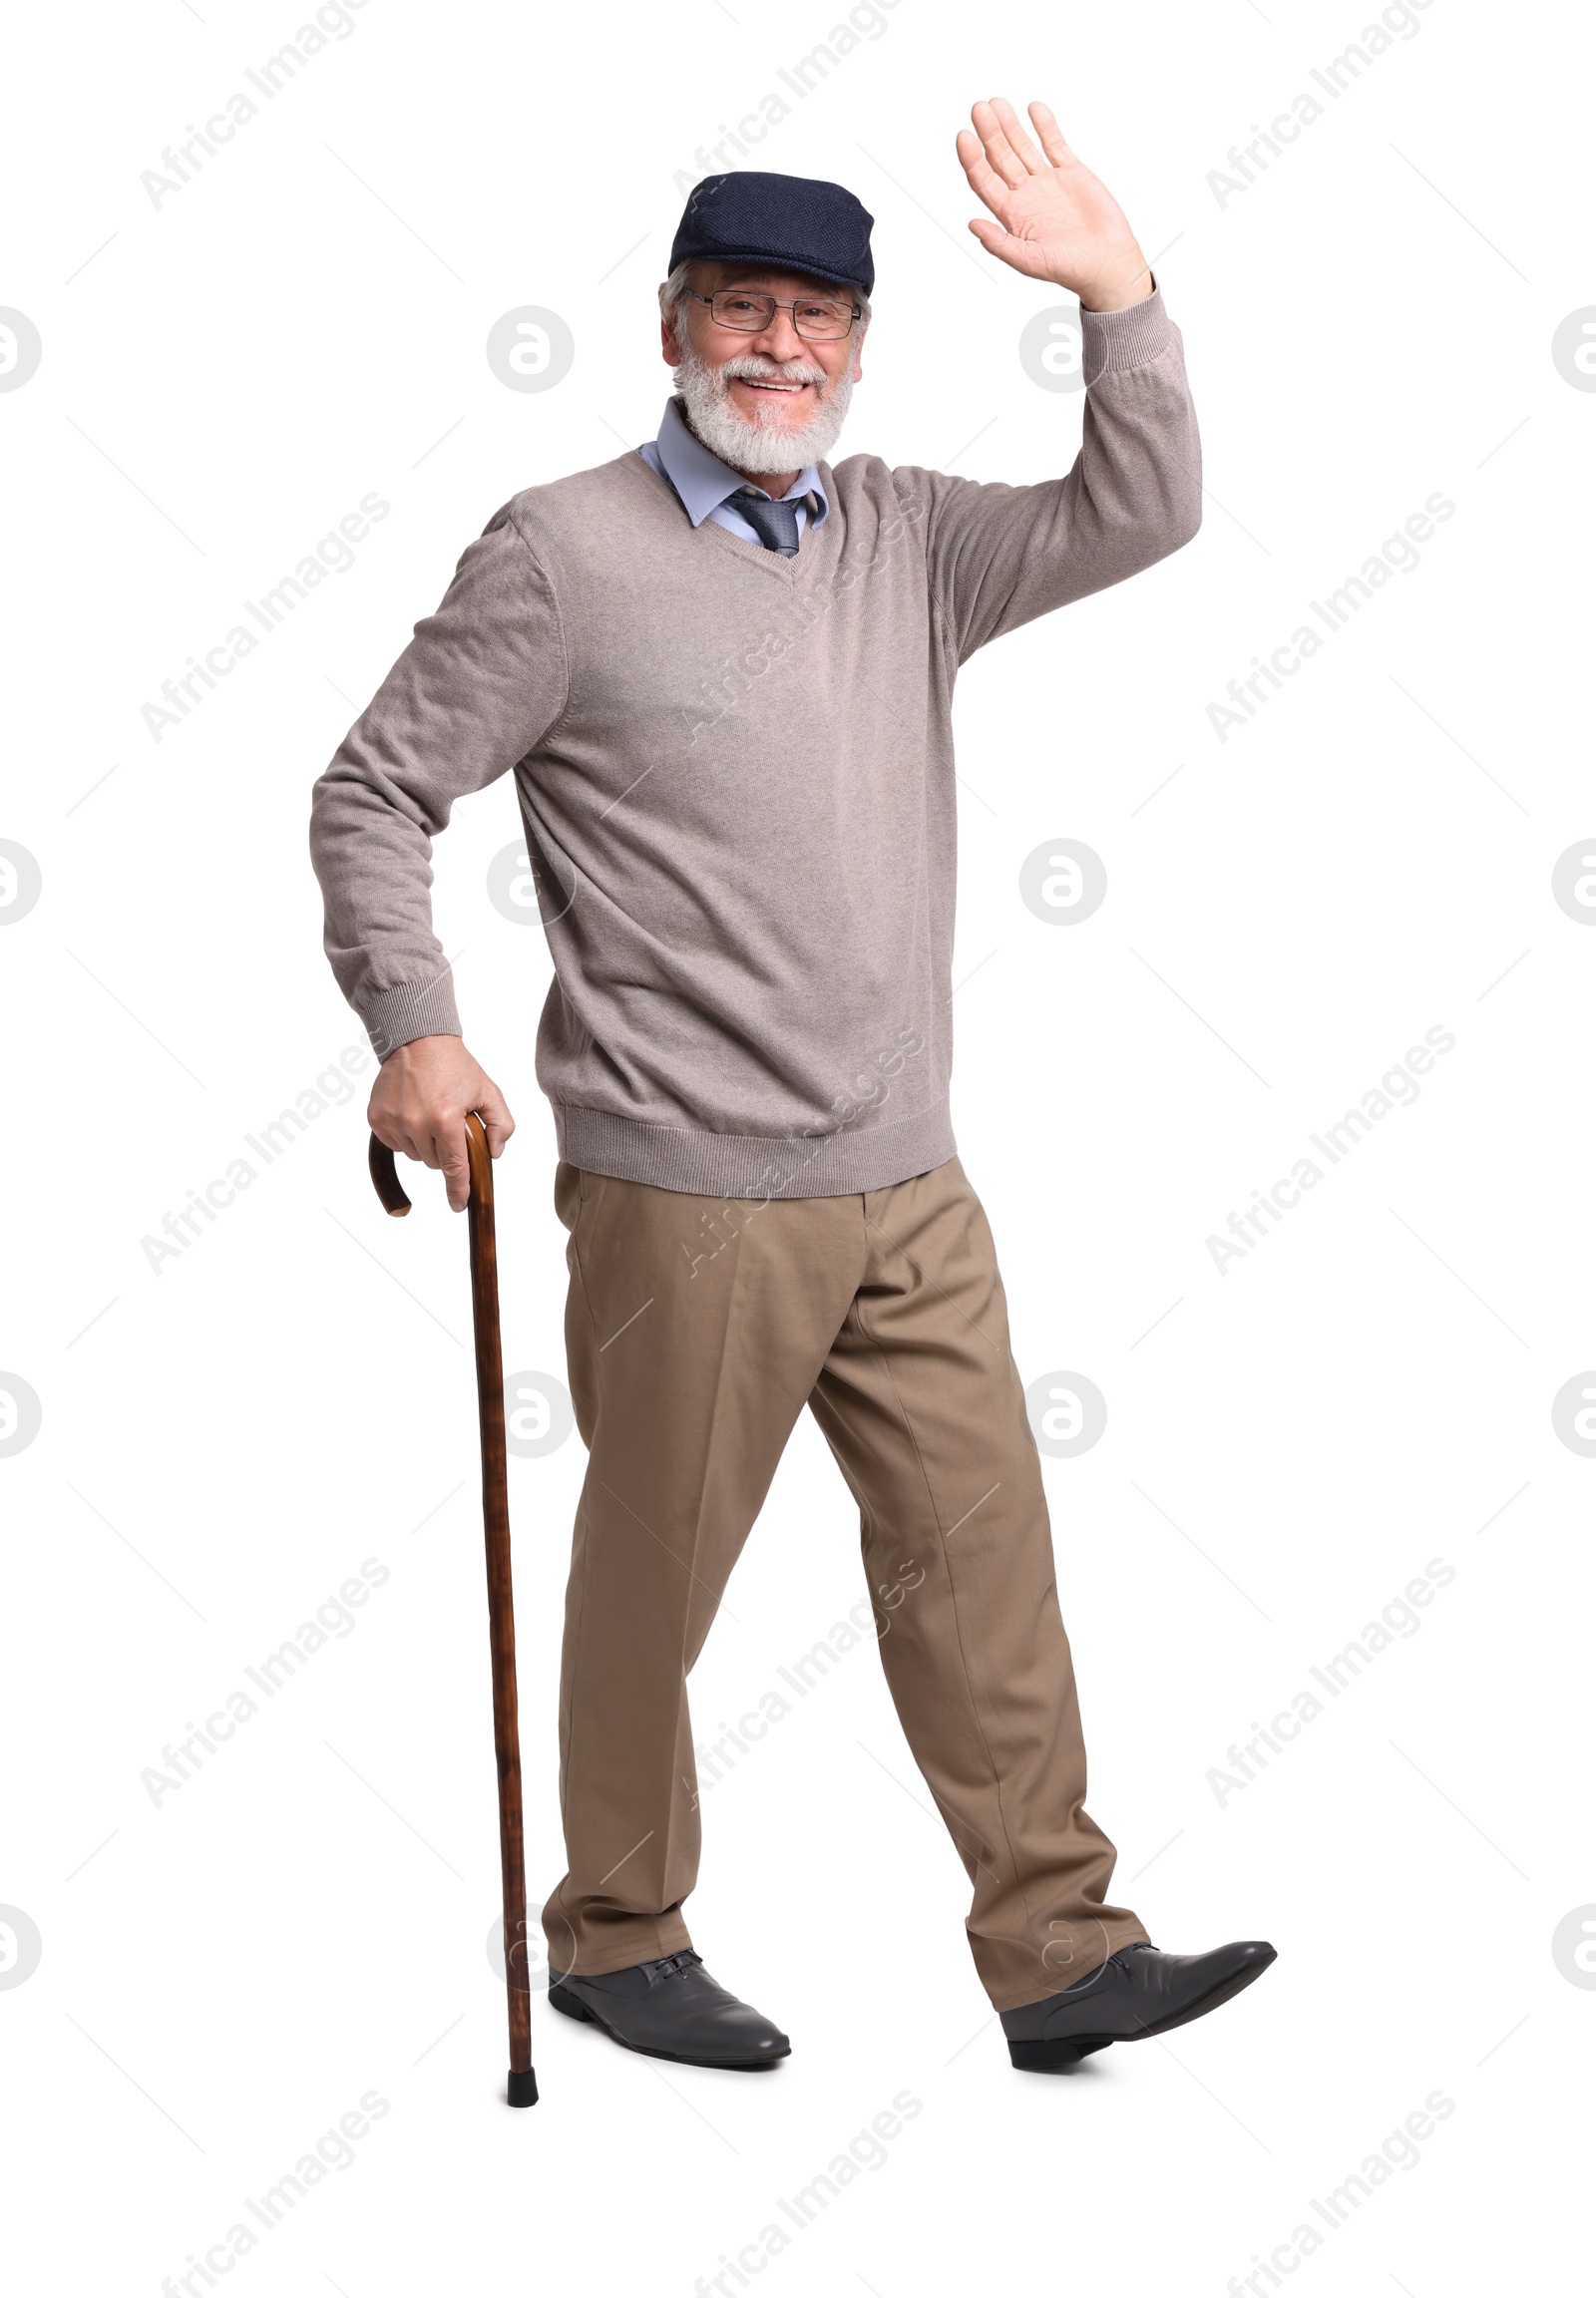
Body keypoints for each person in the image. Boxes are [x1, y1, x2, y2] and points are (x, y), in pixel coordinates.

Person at [310, 99, 1276, 2075]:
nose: (777, 348)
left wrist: (1120, 299)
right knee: (653, 1580)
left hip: (907, 1172)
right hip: (689, 1187)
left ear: (855, 346)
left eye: (813, 319)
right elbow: (372, 788)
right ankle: (613, 1932)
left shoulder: (907, 536)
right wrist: (414, 1021)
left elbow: (1143, 507)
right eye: (738, 309)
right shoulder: (560, 553)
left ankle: (1057, 1949)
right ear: (670, 326)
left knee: (978, 1565)